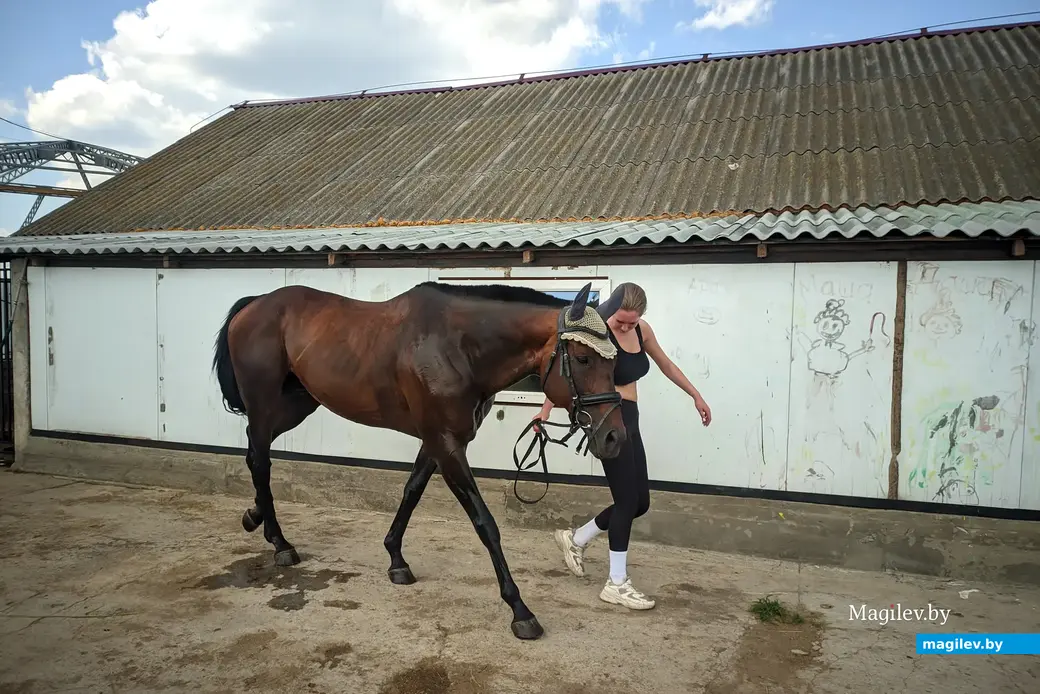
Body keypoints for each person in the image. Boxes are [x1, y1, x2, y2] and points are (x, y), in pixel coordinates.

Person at [534, 281, 711, 610]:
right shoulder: (598, 332)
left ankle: (577, 538)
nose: (626, 326)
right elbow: (572, 371)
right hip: (607, 422)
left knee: (640, 502)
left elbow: (666, 365)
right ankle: (616, 582)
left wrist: (695, 395)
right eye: (621, 321)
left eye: (632, 321)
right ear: (612, 310)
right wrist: (545, 411)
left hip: (632, 420)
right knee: (627, 501)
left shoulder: (642, 331)